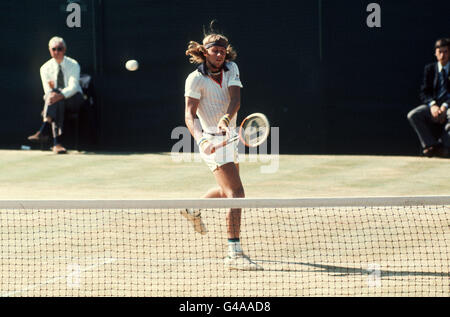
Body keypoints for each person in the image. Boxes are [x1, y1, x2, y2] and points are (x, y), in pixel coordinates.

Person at [182, 32, 263, 271]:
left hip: (229, 138)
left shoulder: (232, 68)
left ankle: (193, 209)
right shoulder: (194, 79)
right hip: (210, 140)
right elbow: (189, 115)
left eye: (222, 51)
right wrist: (201, 140)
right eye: (214, 50)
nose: (219, 55)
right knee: (237, 193)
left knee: (226, 189)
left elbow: (235, 98)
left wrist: (227, 118)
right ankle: (234, 252)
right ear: (204, 52)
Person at [28, 36, 84, 154]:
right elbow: (48, 90)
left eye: (60, 49)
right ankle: (56, 144)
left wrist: (60, 95)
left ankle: (44, 129)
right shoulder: (45, 68)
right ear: (50, 50)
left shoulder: (73, 64)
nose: (57, 52)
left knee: (55, 99)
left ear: (65, 49)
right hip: (55, 101)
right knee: (55, 100)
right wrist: (56, 96)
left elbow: (73, 87)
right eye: (54, 49)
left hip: (74, 99)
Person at [407, 38, 450, 158]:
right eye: (440, 52)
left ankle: (445, 146)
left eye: (446, 52)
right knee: (413, 115)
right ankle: (431, 146)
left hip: (448, 108)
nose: (442, 55)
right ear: (435, 53)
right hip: (433, 107)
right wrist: (433, 105)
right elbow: (424, 92)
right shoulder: (430, 69)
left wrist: (445, 106)